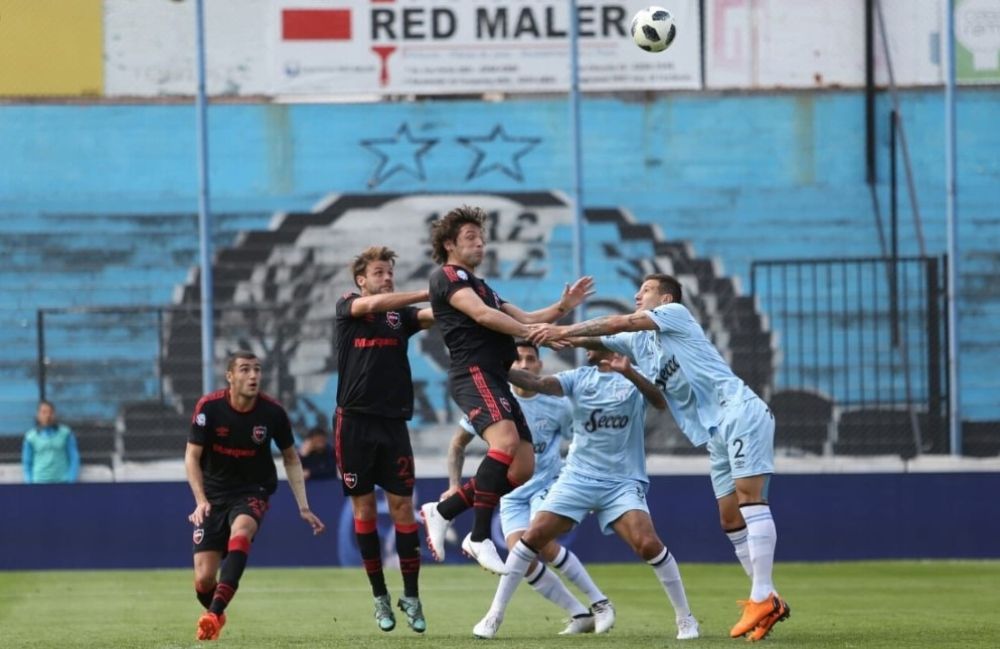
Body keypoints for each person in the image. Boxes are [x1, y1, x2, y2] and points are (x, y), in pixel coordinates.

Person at [530, 273, 789, 642]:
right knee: (730, 519)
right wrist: (542, 332)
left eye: (646, 290)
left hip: (738, 411)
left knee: (750, 500)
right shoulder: (640, 342)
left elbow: (617, 322)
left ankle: (761, 597)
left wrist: (562, 328)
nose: (638, 295)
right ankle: (768, 597)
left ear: (666, 299)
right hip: (714, 431)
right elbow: (595, 338)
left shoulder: (675, 315)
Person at [472, 348, 699, 641]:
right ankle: (494, 616)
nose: (585, 348)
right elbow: (539, 383)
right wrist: (496, 365)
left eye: (590, 342)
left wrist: (630, 372)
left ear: (607, 344)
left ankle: (685, 618)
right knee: (533, 537)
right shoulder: (578, 378)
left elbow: (659, 402)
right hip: (577, 478)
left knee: (647, 544)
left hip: (621, 480)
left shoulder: (633, 376)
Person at [419, 205, 594, 575]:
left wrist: (563, 307)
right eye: (470, 237)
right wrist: (532, 334)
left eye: (482, 238)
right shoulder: (447, 276)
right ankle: (479, 535)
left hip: (496, 377)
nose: (480, 243)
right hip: (473, 373)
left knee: (523, 466)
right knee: (506, 444)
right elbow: (484, 316)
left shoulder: (482, 287)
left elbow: (527, 318)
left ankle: (444, 510)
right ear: (450, 244)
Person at [444, 341, 611, 635]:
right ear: (508, 364)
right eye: (518, 359)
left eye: (530, 359)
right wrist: (454, 485)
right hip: (511, 493)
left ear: (539, 366)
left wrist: (581, 486)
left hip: (547, 484)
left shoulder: (558, 405)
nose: (523, 364)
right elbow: (457, 444)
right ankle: (579, 613)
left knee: (536, 543)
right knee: (522, 558)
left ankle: (599, 602)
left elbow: (582, 443)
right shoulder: (493, 401)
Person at [185, 351, 326, 641]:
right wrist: (200, 500)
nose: (253, 376)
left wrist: (303, 506)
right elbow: (191, 457)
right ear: (230, 376)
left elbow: (291, 458)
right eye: (245, 369)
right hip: (213, 495)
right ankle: (216, 611)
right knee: (203, 579)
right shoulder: (209, 408)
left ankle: (213, 614)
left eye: (257, 370)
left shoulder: (272, 413)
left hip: (253, 490)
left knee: (242, 531)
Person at [334, 245, 434, 633]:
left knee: (403, 508)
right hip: (354, 425)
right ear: (361, 280)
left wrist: (455, 298)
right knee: (364, 512)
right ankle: (379, 596)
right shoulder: (348, 306)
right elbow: (375, 305)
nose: (387, 277)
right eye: (379, 273)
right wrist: (427, 291)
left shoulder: (400, 317)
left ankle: (411, 595)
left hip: (392, 424)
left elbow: (433, 315)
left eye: (390, 272)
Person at [22, 400, 80, 484]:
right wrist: (29, 483)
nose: (47, 415)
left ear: (54, 415)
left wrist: (71, 480)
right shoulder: (30, 437)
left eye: (50, 412)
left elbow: (74, 458)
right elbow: (27, 463)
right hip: (39, 482)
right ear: (38, 415)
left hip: (62, 482)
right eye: (44, 412)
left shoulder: (66, 434)